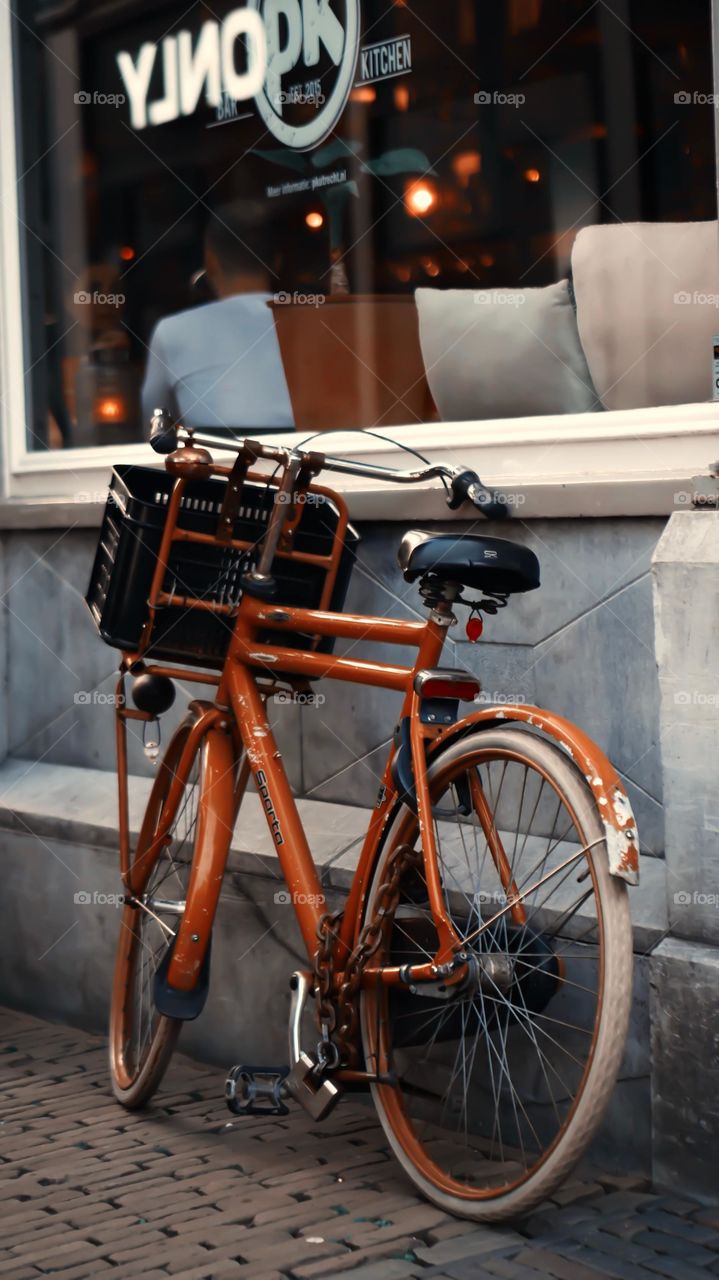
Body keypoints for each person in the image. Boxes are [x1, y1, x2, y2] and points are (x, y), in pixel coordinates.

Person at [141, 208, 294, 432]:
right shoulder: (317, 320)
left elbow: (154, 429)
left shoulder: (172, 331)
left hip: (218, 465)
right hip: (311, 462)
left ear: (210, 262)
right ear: (278, 263)